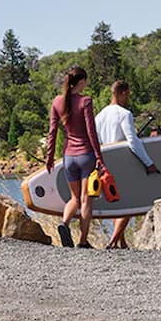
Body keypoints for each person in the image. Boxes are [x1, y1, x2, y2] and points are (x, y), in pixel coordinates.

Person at [44, 66, 105, 248]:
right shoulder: (85, 101)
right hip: (86, 155)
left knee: (74, 199)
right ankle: (83, 241)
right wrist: (99, 158)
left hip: (68, 157)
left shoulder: (57, 102)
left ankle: (64, 224)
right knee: (86, 200)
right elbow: (91, 132)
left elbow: (52, 132)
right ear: (81, 82)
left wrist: (49, 158)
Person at [95, 80, 160, 249]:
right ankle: (112, 242)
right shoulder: (124, 114)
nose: (128, 98)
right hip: (124, 163)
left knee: (116, 201)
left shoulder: (99, 116)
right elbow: (132, 141)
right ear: (123, 93)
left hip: (106, 163)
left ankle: (121, 242)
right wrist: (149, 163)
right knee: (131, 201)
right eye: (128, 94)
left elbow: (96, 141)